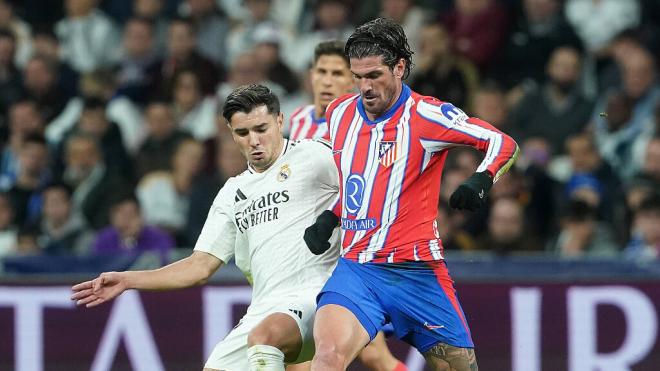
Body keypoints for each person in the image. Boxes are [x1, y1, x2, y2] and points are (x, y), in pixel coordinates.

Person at [71, 84, 340, 371]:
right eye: (243, 133)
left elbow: (368, 187)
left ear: (280, 121)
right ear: (230, 132)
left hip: (318, 297)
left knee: (265, 338)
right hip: (263, 310)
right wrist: (128, 280)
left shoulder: (313, 155)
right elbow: (199, 266)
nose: (254, 141)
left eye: (261, 129)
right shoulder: (232, 192)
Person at [304, 18, 518, 370]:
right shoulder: (340, 113)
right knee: (326, 358)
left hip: (417, 274)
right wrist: (332, 216)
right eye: (358, 77)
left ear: (400, 67)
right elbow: (362, 182)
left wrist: (481, 179)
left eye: (374, 75)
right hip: (357, 271)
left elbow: (502, 143)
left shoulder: (427, 114)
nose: (365, 87)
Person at [289, 40, 407, 371]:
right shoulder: (296, 122)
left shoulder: (361, 124)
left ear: (352, 79)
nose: (327, 81)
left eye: (337, 73)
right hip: (305, 253)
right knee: (367, 355)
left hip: (347, 252)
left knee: (314, 355)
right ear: (311, 76)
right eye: (322, 72)